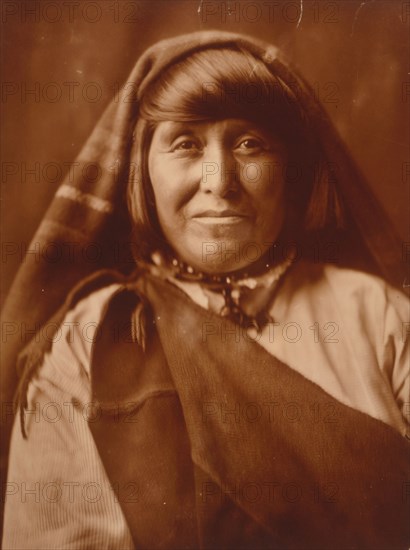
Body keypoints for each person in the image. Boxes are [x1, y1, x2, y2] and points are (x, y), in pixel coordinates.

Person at [2, 31, 409, 549]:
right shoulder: (90, 339)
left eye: (249, 144)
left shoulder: (380, 318)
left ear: (293, 170)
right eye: (186, 145)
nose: (220, 181)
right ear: (142, 173)